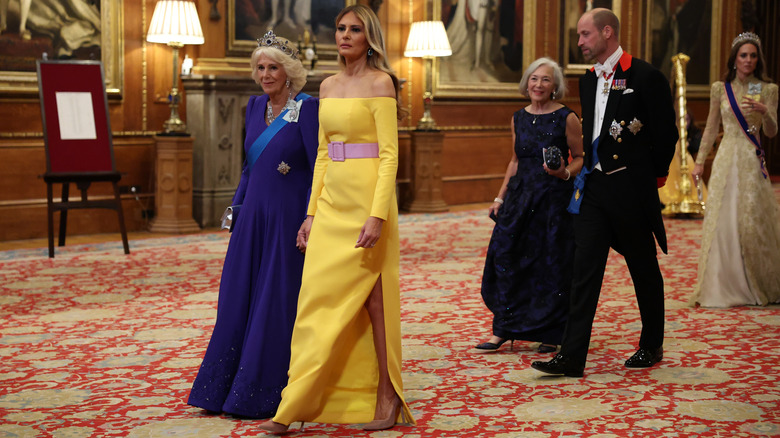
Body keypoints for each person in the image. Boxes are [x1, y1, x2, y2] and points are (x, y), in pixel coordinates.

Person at [259, 4, 414, 434]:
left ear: (369, 38)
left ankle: (387, 394)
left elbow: (389, 156)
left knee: (374, 303)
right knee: (314, 301)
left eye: (355, 30)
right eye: (341, 28)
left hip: (368, 201)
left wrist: (377, 216)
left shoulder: (382, 83)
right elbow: (324, 155)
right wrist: (311, 214)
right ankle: (295, 402)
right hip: (331, 202)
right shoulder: (326, 86)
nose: (344, 35)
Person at [531, 8, 678, 377]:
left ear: (607, 32)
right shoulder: (588, 79)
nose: (579, 41)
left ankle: (651, 344)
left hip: (630, 189)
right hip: (594, 188)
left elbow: (666, 135)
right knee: (584, 270)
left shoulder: (645, 76)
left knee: (642, 266)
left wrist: (651, 178)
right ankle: (572, 356)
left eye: (585, 34)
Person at [187, 31, 319, 418]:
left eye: (273, 67)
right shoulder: (254, 105)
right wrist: (235, 208)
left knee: (273, 299)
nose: (265, 75)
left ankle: (261, 392)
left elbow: (318, 168)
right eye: (260, 68)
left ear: (289, 71)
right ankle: (221, 389)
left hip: (286, 218)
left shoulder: (307, 108)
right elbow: (248, 167)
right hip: (253, 216)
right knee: (237, 295)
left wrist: (310, 217)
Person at [476, 57, 583, 354]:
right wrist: (500, 197)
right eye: (534, 78)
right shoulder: (518, 117)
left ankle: (551, 332)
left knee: (549, 263)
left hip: (552, 200)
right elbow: (515, 160)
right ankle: (503, 328)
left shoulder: (567, 117)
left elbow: (580, 158)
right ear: (526, 83)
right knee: (506, 257)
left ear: (554, 86)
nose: (538, 84)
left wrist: (564, 173)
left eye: (545, 79)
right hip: (520, 197)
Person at [689, 32, 780, 307]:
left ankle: (756, 283)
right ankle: (721, 284)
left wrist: (765, 111)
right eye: (743, 55)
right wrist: (699, 161)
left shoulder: (768, 89)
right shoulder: (720, 88)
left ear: (758, 59)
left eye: (753, 56)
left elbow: (772, 132)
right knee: (722, 219)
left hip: (751, 161)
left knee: (750, 220)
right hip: (726, 158)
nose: (748, 60)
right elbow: (711, 127)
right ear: (734, 59)